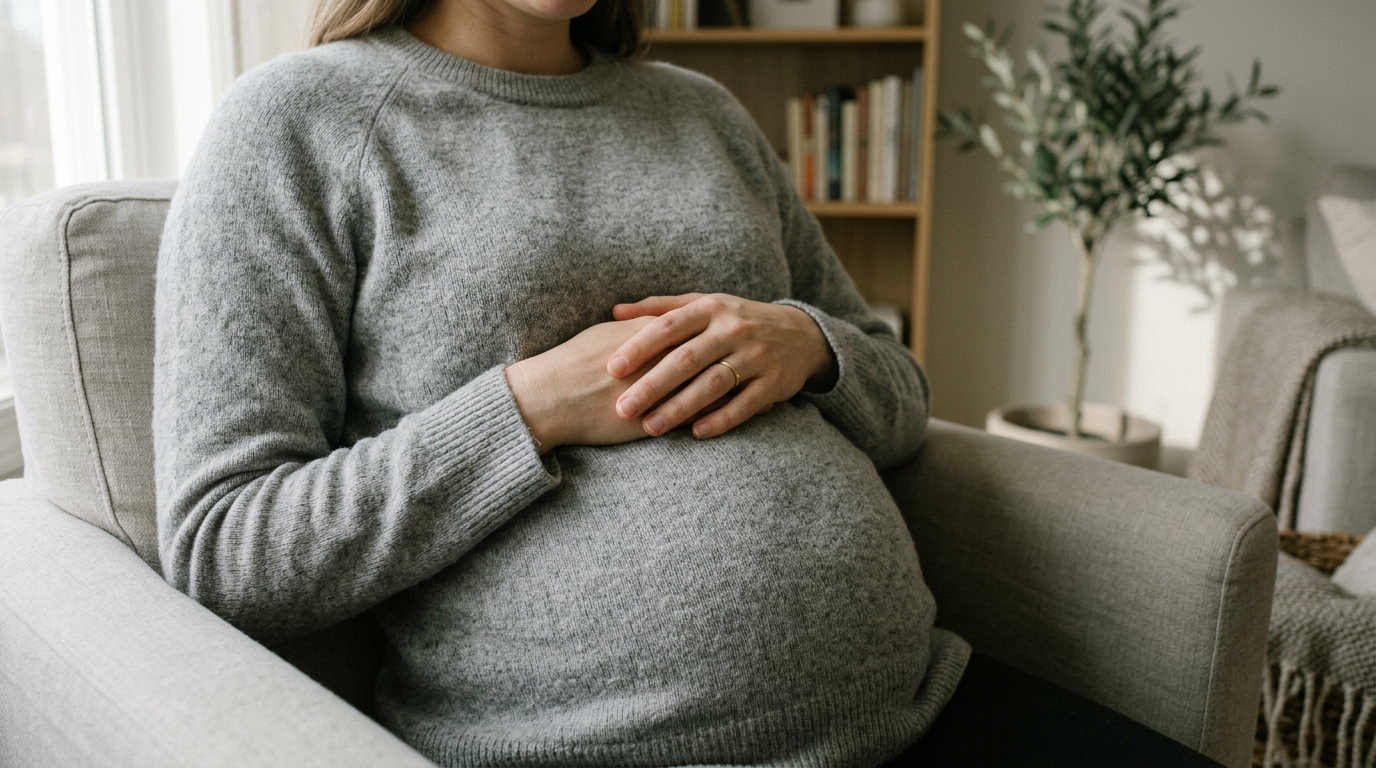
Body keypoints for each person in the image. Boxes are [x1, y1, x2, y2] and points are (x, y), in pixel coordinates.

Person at [152, 0, 1219, 766]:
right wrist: (528, 410)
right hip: (600, 745)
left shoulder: (702, 113)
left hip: (918, 706)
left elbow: (897, 395)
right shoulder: (298, 123)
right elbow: (226, 547)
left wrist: (808, 342)